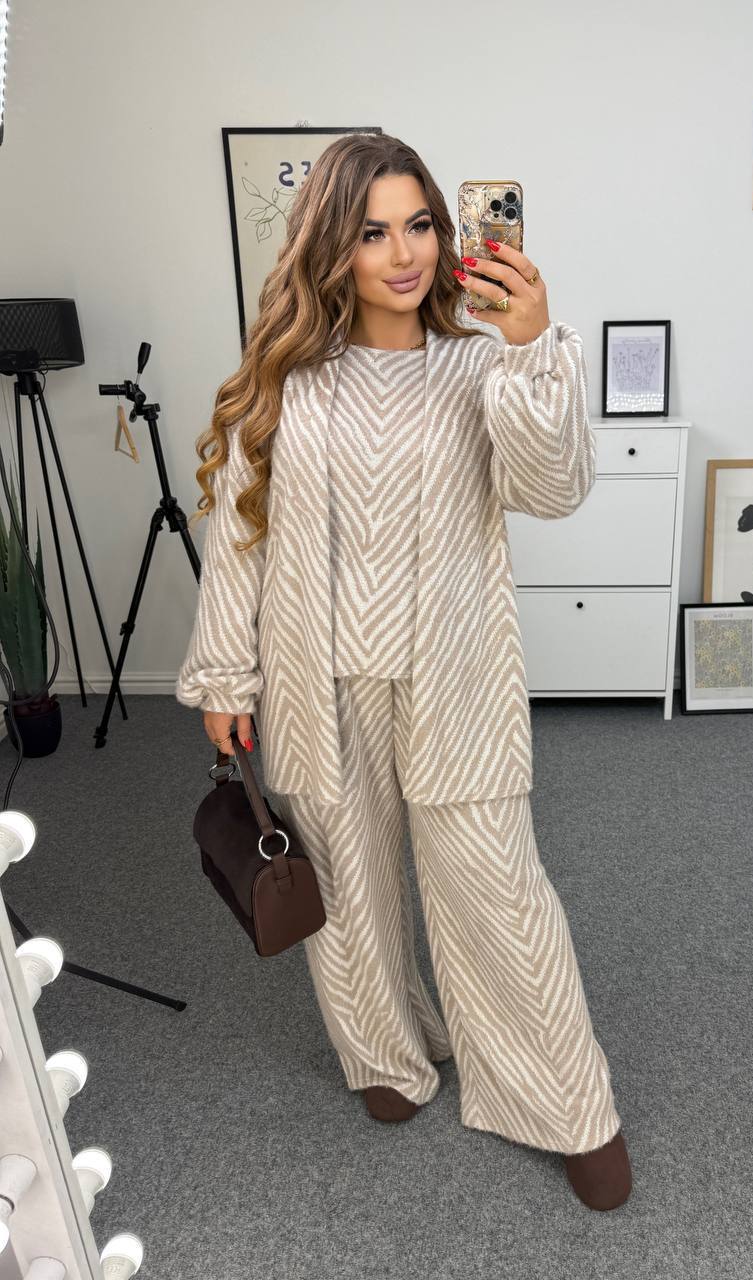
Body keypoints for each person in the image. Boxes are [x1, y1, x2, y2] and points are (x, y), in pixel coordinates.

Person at [175, 133, 631, 1211]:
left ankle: (571, 1106)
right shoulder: (287, 383)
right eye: (374, 231)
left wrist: (530, 344)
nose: (405, 253)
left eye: (420, 224)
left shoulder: (483, 363)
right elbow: (241, 539)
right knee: (350, 892)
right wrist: (225, 676)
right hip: (318, 678)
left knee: (499, 891)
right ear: (333, 246)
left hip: (455, 676)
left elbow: (555, 488)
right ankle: (385, 1050)